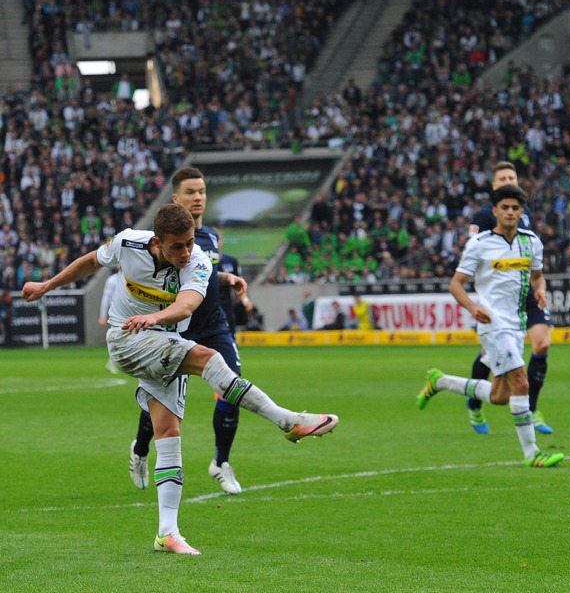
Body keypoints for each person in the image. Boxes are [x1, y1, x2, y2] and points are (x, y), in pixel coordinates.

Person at [22, 204, 339, 555]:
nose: (186, 252)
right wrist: (47, 285)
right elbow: (92, 261)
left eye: (190, 243)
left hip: (163, 340)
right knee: (209, 359)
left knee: (169, 433)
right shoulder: (128, 243)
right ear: (158, 242)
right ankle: (288, 421)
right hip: (124, 339)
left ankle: (167, 533)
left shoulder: (199, 262)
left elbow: (186, 306)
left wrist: (156, 317)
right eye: (178, 246)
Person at [417, 184, 564, 468]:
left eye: (515, 208)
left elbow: (537, 277)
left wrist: (541, 289)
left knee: (500, 396)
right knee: (521, 381)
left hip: (517, 324)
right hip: (493, 325)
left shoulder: (531, 242)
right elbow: (455, 285)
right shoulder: (480, 244)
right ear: (495, 211)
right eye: (505, 208)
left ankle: (441, 381)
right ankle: (532, 453)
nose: (510, 212)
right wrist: (473, 308)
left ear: (521, 212)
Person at [129, 168, 254, 497]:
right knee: (160, 403)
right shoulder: (165, 239)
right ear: (176, 198)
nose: (198, 197)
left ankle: (221, 463)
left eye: (201, 192)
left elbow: (207, 272)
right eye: (190, 192)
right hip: (177, 330)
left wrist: (228, 279)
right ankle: (141, 448)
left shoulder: (211, 235)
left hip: (213, 326)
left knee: (233, 386)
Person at [464, 161, 554, 436]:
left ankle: (533, 408)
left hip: (526, 293)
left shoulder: (524, 215)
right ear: (493, 187)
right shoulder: (483, 217)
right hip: (500, 301)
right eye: (501, 177)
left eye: (511, 177)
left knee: (542, 345)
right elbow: (473, 254)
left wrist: (541, 287)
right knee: (489, 359)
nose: (507, 180)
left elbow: (535, 264)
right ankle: (474, 402)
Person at [98, 266, 122, 374]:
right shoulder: (112, 280)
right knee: (118, 338)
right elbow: (105, 298)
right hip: (116, 315)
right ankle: (112, 362)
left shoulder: (133, 279)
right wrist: (103, 316)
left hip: (129, 314)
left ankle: (113, 362)